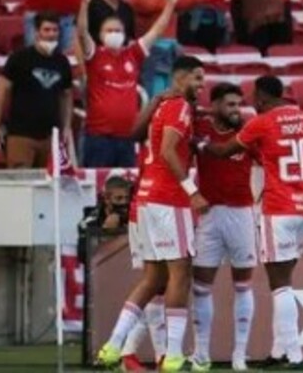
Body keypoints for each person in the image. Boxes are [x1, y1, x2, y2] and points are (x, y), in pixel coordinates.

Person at [95, 56, 207, 373]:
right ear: (181, 78)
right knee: (180, 274)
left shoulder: (162, 105)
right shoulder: (179, 107)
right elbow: (170, 151)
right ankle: (172, 356)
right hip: (168, 200)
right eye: (197, 78)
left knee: (153, 277)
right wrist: (192, 191)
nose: (202, 85)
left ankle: (113, 346)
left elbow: (136, 133)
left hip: (144, 199)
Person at [202, 76, 303, 370]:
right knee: (285, 280)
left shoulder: (263, 121)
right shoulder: (302, 117)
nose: (251, 102)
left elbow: (224, 151)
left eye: (254, 97)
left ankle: (296, 355)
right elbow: (271, 150)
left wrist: (200, 144)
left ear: (263, 97)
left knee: (280, 284)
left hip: (278, 208)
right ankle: (279, 351)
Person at [188, 82, 256, 372]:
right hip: (210, 215)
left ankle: (240, 355)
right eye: (229, 104)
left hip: (242, 214)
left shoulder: (248, 130)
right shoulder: (200, 125)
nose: (235, 110)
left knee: (243, 284)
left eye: (238, 104)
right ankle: (202, 353)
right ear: (214, 105)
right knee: (201, 286)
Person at [75, 0, 178, 168]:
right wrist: (84, 5)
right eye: (109, 30)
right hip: (99, 137)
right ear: (100, 35)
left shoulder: (133, 54)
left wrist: (170, 5)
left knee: (128, 188)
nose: (114, 34)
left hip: (127, 138)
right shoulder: (94, 55)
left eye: (118, 30)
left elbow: (157, 31)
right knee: (99, 188)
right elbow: (82, 32)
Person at [0, 13, 76, 168]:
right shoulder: (19, 58)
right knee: (21, 184)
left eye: (55, 30)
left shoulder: (62, 62)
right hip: (21, 135)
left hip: (50, 137)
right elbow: (1, 92)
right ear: (36, 32)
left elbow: (66, 96)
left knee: (49, 186)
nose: (51, 34)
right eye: (46, 30)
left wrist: (66, 126)